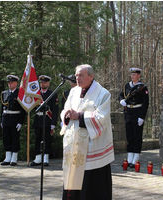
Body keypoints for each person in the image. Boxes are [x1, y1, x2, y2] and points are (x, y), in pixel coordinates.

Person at [60, 64, 114, 200]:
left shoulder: (103, 94)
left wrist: (79, 115)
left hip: (93, 147)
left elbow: (101, 118)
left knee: (91, 186)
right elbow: (65, 110)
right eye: (76, 75)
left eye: (81, 75)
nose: (77, 78)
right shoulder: (73, 92)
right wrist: (67, 114)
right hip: (74, 145)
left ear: (91, 76)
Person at [118, 68, 149, 168]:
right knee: (129, 136)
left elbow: (145, 104)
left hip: (137, 112)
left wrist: (142, 117)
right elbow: (120, 95)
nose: (133, 76)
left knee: (137, 136)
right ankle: (129, 157)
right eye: (132, 75)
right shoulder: (127, 86)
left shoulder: (142, 87)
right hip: (128, 112)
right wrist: (121, 100)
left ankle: (136, 157)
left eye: (135, 75)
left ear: (139, 75)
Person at [30, 75, 59, 166]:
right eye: (41, 82)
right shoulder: (36, 95)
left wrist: (53, 123)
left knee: (47, 139)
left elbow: (55, 110)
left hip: (47, 119)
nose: (43, 84)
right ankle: (38, 158)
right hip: (38, 119)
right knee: (37, 139)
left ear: (48, 83)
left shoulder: (52, 94)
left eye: (45, 82)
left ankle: (46, 158)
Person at [0, 75, 26, 166]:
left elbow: (23, 109)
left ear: (16, 83)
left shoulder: (20, 93)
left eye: (11, 82)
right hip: (6, 118)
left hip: (15, 119)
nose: (10, 84)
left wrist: (20, 122)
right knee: (6, 138)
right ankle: (7, 157)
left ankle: (14, 158)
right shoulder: (4, 93)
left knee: (15, 138)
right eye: (9, 82)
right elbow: (1, 108)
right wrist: (1, 120)